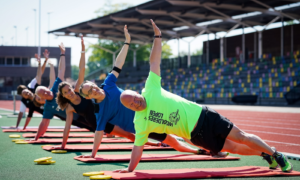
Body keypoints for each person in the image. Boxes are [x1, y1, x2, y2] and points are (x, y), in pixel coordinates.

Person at [115, 20, 293, 173]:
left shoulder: (151, 88)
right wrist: (130, 169)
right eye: (132, 104)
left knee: (241, 137)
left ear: (137, 93)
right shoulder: (140, 122)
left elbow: (154, 61)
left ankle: (277, 155)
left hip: (205, 116)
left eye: (135, 98)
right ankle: (266, 153)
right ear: (130, 109)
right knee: (236, 148)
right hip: (197, 137)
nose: (136, 103)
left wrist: (158, 37)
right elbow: (138, 147)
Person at [77, 25, 221, 159]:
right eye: (90, 91)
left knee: (183, 131)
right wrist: (92, 155)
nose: (94, 89)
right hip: (144, 124)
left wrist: (127, 42)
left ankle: (212, 148)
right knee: (173, 141)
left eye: (92, 86)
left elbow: (118, 63)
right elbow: (98, 133)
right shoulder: (100, 111)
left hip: (151, 110)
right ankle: (198, 151)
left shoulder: (108, 84)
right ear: (88, 97)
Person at [34, 42, 93, 141]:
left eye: (44, 90)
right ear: (42, 98)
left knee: (102, 124)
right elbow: (44, 123)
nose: (45, 93)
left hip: (82, 108)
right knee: (95, 128)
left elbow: (61, 70)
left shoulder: (57, 86)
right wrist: (36, 137)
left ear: (46, 87)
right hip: (76, 119)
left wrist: (62, 53)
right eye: (42, 94)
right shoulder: (47, 107)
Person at [16, 50, 49, 129]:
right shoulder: (26, 102)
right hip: (45, 109)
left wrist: (43, 61)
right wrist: (17, 126)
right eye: (24, 94)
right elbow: (23, 114)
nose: (27, 93)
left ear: (27, 89)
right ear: (23, 97)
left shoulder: (32, 86)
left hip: (48, 101)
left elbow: (39, 74)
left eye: (26, 92)